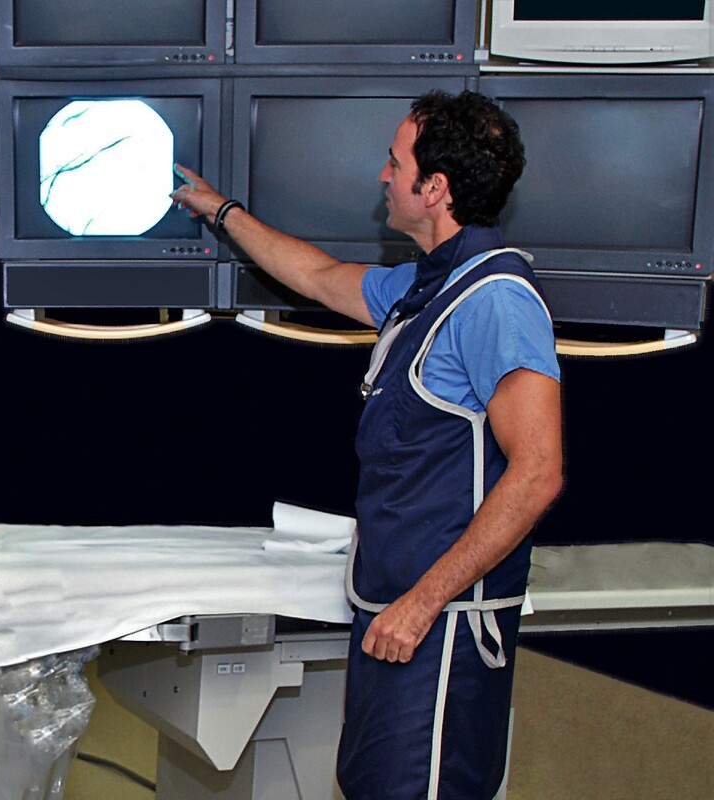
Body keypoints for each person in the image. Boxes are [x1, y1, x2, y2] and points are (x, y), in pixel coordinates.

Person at [173, 90, 564, 799]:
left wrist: (421, 605)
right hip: (393, 611)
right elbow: (318, 277)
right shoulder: (428, 289)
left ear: (434, 188)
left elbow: (537, 473)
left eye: (396, 162)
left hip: (438, 626)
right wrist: (221, 212)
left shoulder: (495, 300)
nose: (384, 175)